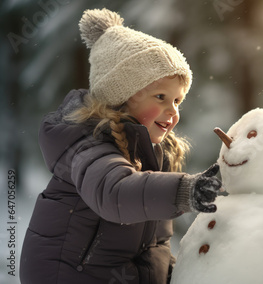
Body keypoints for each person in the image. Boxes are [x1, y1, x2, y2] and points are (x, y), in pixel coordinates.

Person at [20, 8, 221, 284]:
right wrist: (185, 190)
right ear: (121, 97)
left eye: (177, 101)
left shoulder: (154, 156)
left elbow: (155, 244)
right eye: (161, 97)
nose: (172, 111)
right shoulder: (88, 145)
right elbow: (115, 193)